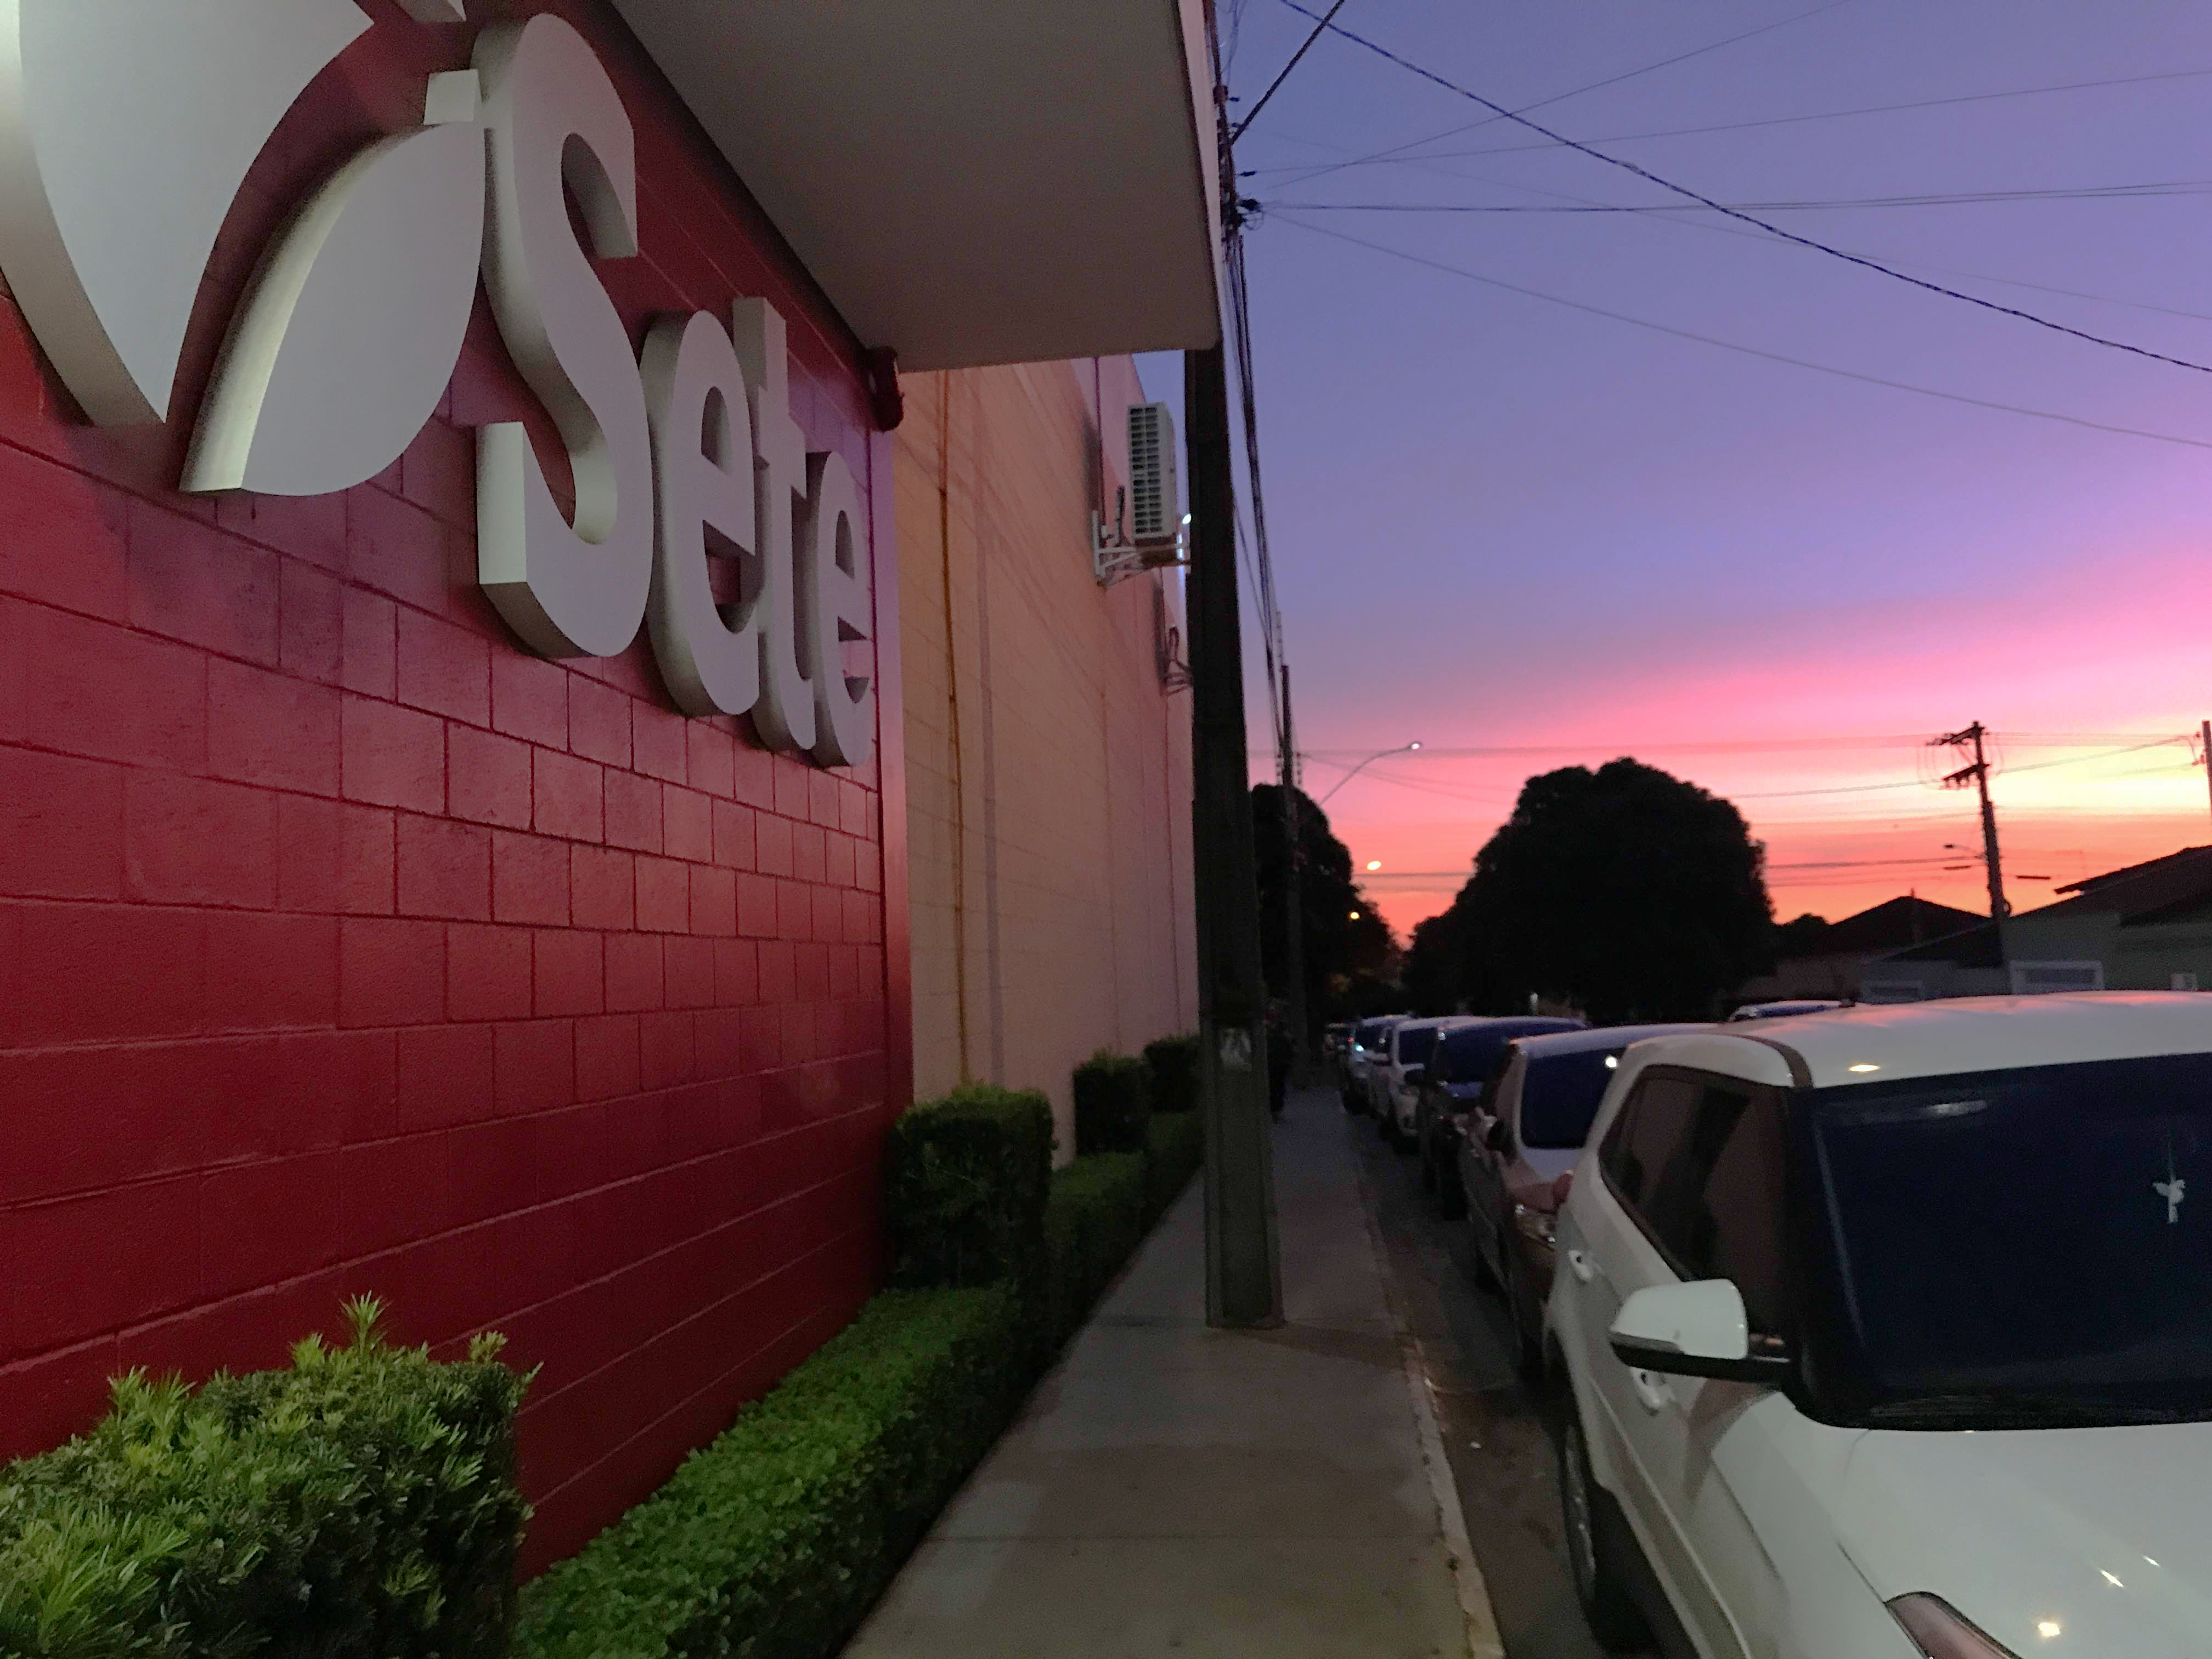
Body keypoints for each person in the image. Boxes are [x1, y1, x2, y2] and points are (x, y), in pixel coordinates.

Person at [1265, 1000, 1294, 1120]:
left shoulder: (1280, 1028)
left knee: (1278, 1085)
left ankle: (1276, 1109)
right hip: (1274, 1060)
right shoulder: (1271, 1028)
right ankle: (1275, 1109)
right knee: (1275, 1086)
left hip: (1279, 1061)